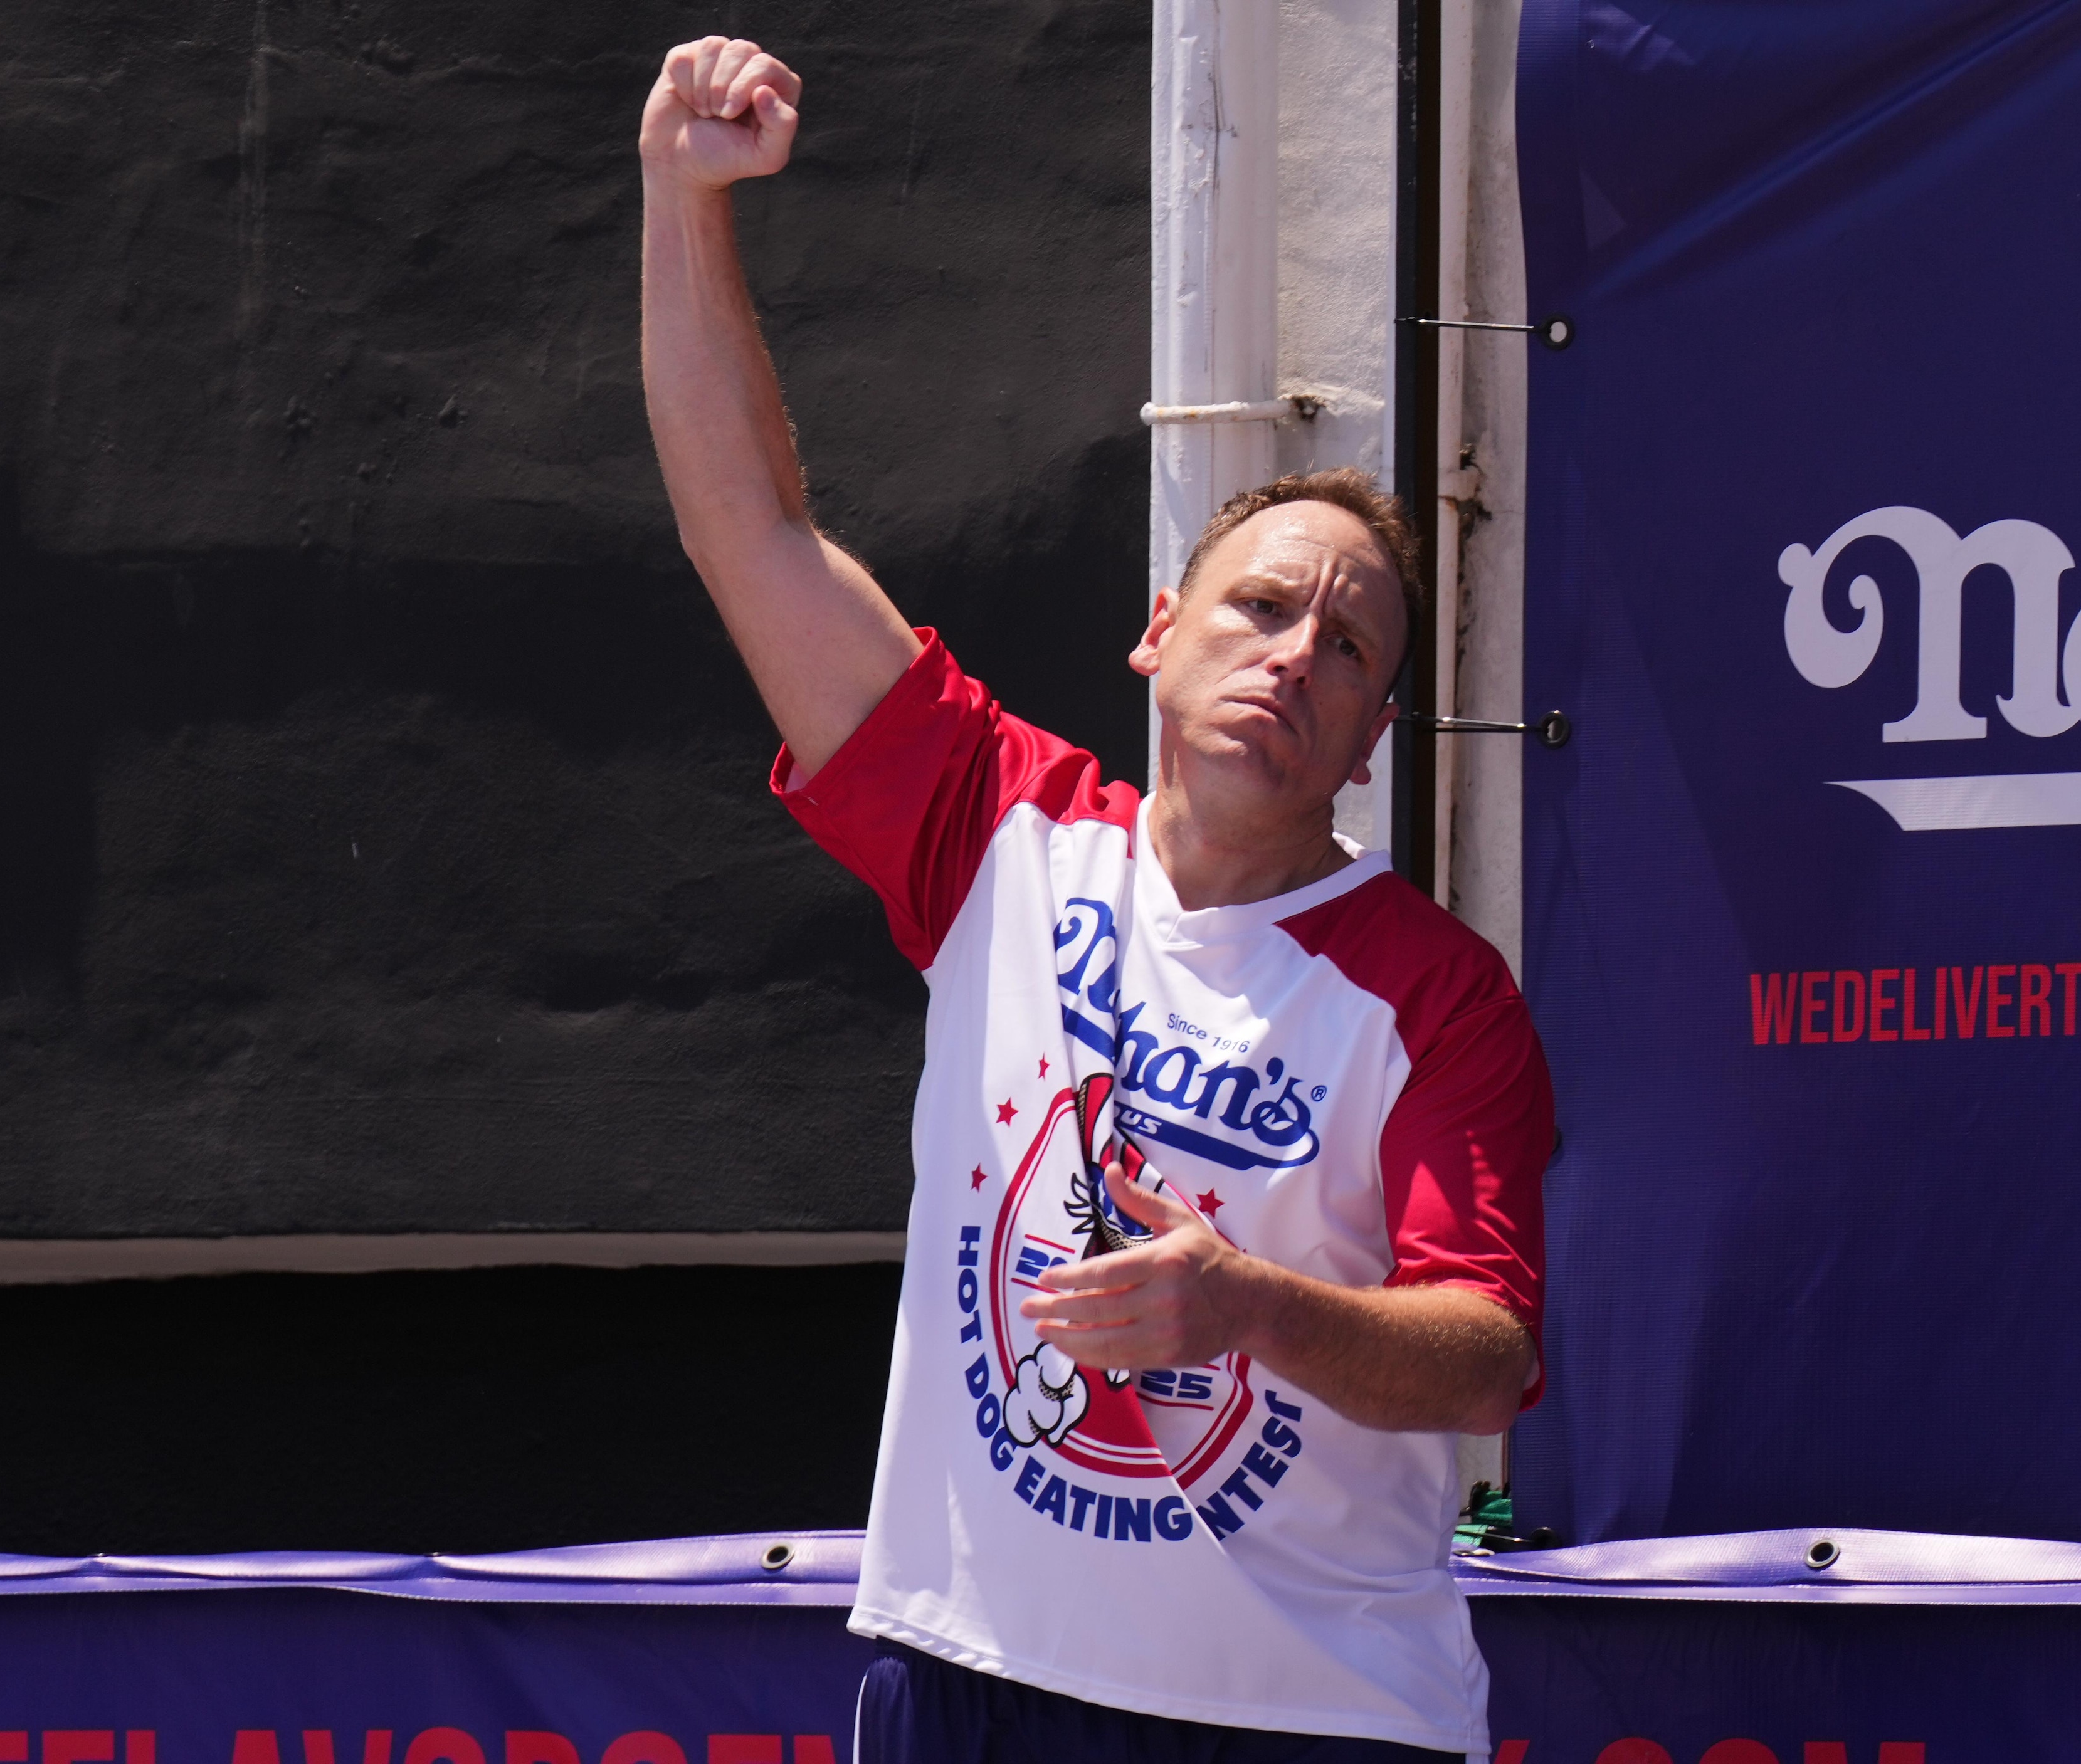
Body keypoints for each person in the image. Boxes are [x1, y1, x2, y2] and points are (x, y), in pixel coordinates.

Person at [637, 36, 1554, 1763]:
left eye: (1347, 648)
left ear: (1370, 743)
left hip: (1309, 1723)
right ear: (1157, 630)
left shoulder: (1440, 997)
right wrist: (683, 201)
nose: (1295, 655)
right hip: (973, 1678)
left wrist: (1252, 1307)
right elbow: (748, 530)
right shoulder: (1002, 824)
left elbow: (1487, 1354)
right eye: (1262, 608)